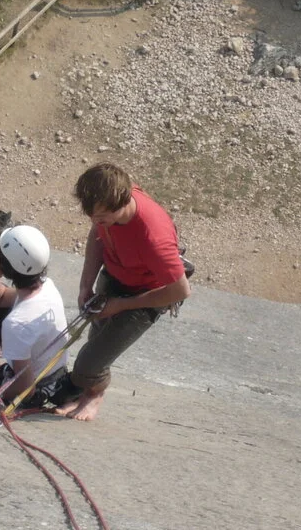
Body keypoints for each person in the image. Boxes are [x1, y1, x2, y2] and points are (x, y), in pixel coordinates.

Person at [55, 163, 191, 421]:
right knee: (94, 348)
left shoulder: (153, 236)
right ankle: (88, 393)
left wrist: (119, 305)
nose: (96, 223)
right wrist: (86, 285)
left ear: (121, 203)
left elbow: (181, 290)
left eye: (101, 217)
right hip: (115, 276)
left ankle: (95, 395)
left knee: (88, 364)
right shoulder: (108, 205)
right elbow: (97, 232)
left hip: (146, 296)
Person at [0, 225, 76, 408]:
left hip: (37, 388)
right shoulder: (46, 286)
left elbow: (27, 388)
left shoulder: (16, 323)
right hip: (54, 376)